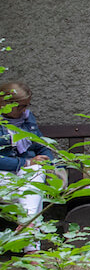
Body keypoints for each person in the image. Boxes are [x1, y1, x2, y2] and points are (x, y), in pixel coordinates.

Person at [1, 82, 58, 225]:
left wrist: (48, 163)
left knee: (36, 172)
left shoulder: (27, 119)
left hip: (27, 174)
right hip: (4, 173)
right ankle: (31, 237)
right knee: (32, 191)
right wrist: (25, 163)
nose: (24, 110)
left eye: (26, 105)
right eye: (20, 106)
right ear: (4, 103)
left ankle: (27, 228)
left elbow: (41, 147)